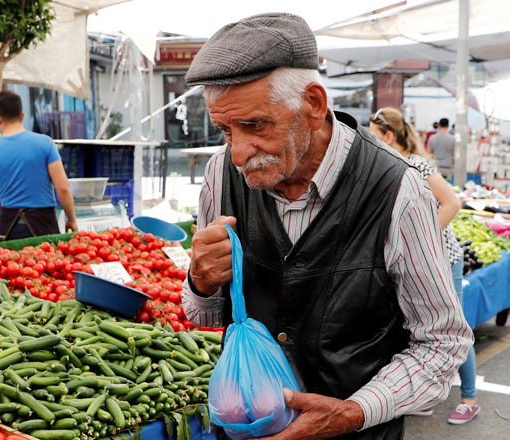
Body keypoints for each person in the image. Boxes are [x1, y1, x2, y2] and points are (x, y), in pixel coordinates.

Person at [181, 13, 473, 440]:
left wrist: (352, 412)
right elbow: (203, 315)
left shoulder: (397, 189)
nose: (240, 152)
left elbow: (442, 342)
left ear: (314, 106)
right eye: (226, 130)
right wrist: (200, 281)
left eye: (256, 126)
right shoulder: (219, 174)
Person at [369, 107, 478, 425]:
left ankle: (469, 397)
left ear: (389, 137)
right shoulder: (384, 168)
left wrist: (420, 241)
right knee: (416, 328)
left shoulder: (416, 165)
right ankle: (426, 397)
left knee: (451, 329)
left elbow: (452, 203)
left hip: (444, 260)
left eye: (375, 137)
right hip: (412, 264)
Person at [0, 90, 77, 240]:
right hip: (44, 226)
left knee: (15, 263)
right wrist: (72, 219)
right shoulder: (45, 144)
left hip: (11, 229)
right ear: (22, 115)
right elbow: (63, 188)